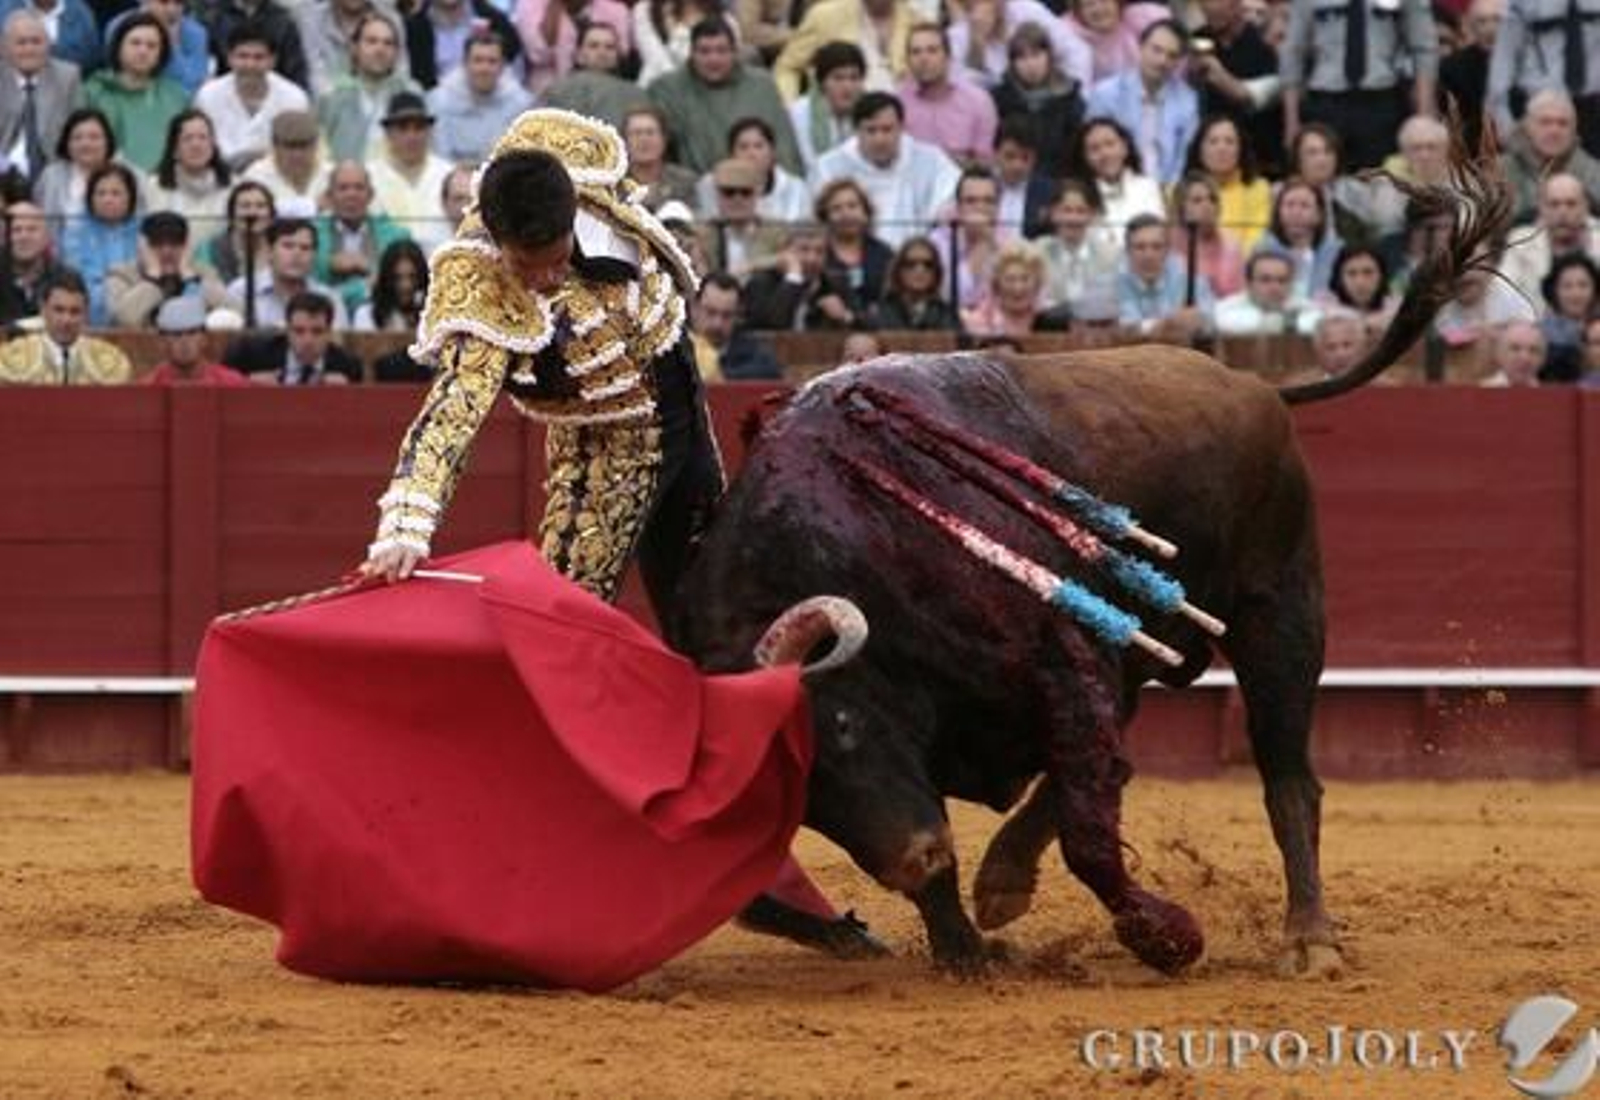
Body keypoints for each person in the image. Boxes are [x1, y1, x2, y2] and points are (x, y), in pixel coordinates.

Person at [1279, 0, 1438, 170]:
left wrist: (1424, 115)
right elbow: (1293, 53)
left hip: (1380, 101)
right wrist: (1291, 122)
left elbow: (1423, 49)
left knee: (1379, 176)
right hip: (1326, 100)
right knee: (1322, 177)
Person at [647, 17, 800, 178]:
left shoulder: (762, 86)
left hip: (760, 187)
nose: (713, 59)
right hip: (693, 188)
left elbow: (784, 147)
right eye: (704, 51)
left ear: (735, 52)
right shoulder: (666, 89)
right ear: (691, 53)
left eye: (721, 50)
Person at [810, 91, 961, 248]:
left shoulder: (931, 161)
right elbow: (818, 223)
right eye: (871, 130)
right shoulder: (829, 167)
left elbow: (954, 202)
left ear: (901, 128)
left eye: (887, 129)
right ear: (856, 130)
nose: (879, 139)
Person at [1083, 20, 1198, 186]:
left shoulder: (1188, 99)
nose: (1162, 61)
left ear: (1179, 62)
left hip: (1167, 189)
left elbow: (1184, 156)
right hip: (1114, 185)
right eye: (1156, 50)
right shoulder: (1106, 93)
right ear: (1141, 47)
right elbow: (1093, 150)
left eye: (1172, 55)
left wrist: (1170, 191)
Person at [193, 22, 312, 173]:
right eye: (242, 56)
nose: (250, 65)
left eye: (258, 57)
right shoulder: (207, 96)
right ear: (229, 58)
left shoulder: (294, 99)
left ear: (272, 61)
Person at [1488, 0, 1600, 155]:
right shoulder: (1523, 4)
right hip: (1538, 105)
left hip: (1591, 109)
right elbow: (1504, 59)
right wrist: (1504, 125)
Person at [83, 11, 189, 173]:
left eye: (152, 46)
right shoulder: (93, 91)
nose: (143, 51)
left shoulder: (176, 96)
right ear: (119, 46)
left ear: (161, 54)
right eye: (135, 43)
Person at [106, 209, 240, 327]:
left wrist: (191, 280)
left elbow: (235, 315)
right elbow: (123, 320)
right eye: (157, 244)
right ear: (142, 247)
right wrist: (152, 278)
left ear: (187, 245)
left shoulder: (203, 272)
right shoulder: (121, 274)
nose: (167, 252)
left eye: (175, 243)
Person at [317, 10, 421, 163]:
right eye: (371, 41)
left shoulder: (411, 92)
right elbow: (321, 151)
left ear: (397, 53)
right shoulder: (332, 95)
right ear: (354, 48)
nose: (380, 50)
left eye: (388, 43)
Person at [313, 161, 411, 316]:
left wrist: (367, 266)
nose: (351, 194)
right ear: (329, 196)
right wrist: (366, 284)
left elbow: (402, 288)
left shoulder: (397, 236)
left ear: (371, 195)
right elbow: (312, 295)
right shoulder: (312, 235)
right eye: (343, 188)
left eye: (359, 187)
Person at [0, 270, 133, 384]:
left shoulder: (110, 362)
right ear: (43, 309)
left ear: (86, 313)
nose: (66, 320)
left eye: (75, 311)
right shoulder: (10, 359)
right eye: (59, 310)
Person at [0, 9, 83, 190]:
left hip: (55, 171)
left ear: (49, 45)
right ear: (4, 48)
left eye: (36, 42)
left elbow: (78, 129)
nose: (29, 49)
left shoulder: (68, 76)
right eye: (21, 43)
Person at [896, 21, 998, 166]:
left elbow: (986, 163)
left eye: (932, 50)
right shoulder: (897, 103)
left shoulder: (978, 101)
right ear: (908, 61)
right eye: (916, 52)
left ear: (948, 57)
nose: (923, 59)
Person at [426, 29, 533, 164]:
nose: (484, 69)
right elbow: (438, 157)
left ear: (502, 66)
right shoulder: (438, 102)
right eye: (478, 60)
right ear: (465, 64)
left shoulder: (522, 104)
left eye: (492, 61)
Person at [225, 216, 350, 328]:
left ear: (314, 256)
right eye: (288, 246)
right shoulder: (242, 291)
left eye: (305, 248)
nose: (297, 254)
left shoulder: (328, 298)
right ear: (269, 251)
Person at [226, 290, 363, 383]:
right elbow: (223, 384)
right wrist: (246, 383)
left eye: (317, 332)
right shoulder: (252, 355)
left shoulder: (347, 366)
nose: (308, 341)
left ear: (329, 333)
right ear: (287, 331)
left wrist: (347, 392)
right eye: (299, 331)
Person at [1117, 212, 1214, 341]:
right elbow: (1125, 327)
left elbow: (1212, 319)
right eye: (1140, 247)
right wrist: (1169, 324)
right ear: (1127, 251)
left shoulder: (1188, 278)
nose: (1149, 255)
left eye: (1156, 247)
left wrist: (1200, 320)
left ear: (1168, 250)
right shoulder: (1115, 281)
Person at [538, 20, 650, 129]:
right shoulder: (559, 90)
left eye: (609, 47)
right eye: (593, 46)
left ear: (618, 56)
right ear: (579, 55)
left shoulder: (635, 93)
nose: (602, 52)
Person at [144, 109, 232, 239]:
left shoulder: (233, 186)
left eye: (203, 137)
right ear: (174, 148)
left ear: (213, 145)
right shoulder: (152, 187)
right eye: (187, 138)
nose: (196, 145)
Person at [513, 0, 632, 95]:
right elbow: (539, 55)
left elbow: (621, 58)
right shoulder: (529, 3)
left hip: (607, 90)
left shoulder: (617, 10)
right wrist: (554, 4)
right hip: (548, 94)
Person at [786, 40, 864, 174]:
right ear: (822, 82)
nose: (848, 87)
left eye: (854, 78)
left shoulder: (871, 110)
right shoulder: (799, 112)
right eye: (838, 78)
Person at [691, 268, 783, 378]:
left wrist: (718, 375)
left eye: (727, 315)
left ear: (738, 315)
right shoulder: (676, 347)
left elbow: (771, 371)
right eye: (711, 312)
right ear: (694, 308)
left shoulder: (754, 352)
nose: (718, 324)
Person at [142, 294, 251, 385]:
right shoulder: (148, 386)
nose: (184, 341)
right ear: (162, 342)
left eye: (192, 333)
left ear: (204, 339)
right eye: (176, 334)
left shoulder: (232, 383)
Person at [1214, 247, 1319, 335]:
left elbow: (1318, 322)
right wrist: (1287, 322)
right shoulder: (1226, 307)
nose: (1275, 287)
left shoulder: (1303, 305)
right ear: (1249, 283)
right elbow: (1225, 322)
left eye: (1282, 280)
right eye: (1265, 280)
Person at [868, 235, 962, 330]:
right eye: (911, 264)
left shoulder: (947, 315)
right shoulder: (879, 313)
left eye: (928, 265)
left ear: (936, 273)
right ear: (898, 270)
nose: (920, 270)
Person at [0, 199, 68, 329]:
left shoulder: (64, 278)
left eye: (32, 229)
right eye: (16, 230)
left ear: (46, 237)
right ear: (3, 237)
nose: (24, 236)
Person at [1480, 319, 1546, 386]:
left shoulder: (1548, 395)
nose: (1525, 357)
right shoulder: (1481, 392)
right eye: (1515, 349)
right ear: (1499, 354)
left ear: (1542, 358)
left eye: (1533, 350)